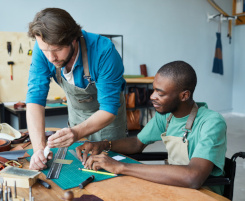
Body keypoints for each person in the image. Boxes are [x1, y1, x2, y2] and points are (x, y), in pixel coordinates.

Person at [76, 61, 227, 195]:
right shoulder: (166, 116)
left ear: (184, 95)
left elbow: (193, 177)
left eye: (160, 93)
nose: (152, 96)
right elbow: (137, 143)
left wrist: (120, 167)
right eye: (154, 90)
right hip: (175, 187)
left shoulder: (211, 122)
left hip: (204, 193)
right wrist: (103, 145)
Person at [26, 8, 127, 170]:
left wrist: (77, 132)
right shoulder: (43, 49)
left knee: (111, 172)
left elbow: (108, 108)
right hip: (76, 118)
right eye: (45, 50)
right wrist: (38, 148)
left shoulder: (104, 52)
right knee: (77, 168)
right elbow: (34, 100)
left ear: (73, 38)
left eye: (57, 50)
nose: (51, 58)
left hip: (108, 121)